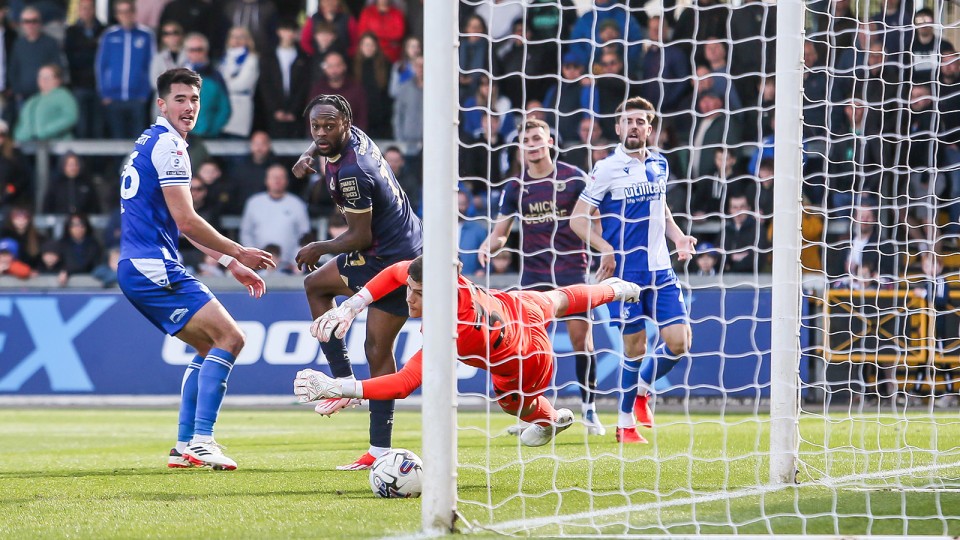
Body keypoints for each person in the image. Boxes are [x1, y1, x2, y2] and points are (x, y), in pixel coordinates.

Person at [294, 256, 643, 447]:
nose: (408, 298)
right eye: (410, 289)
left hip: (528, 360)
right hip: (515, 305)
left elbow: (403, 384)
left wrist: (337, 387)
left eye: (418, 293)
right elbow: (398, 271)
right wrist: (350, 307)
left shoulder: (450, 331)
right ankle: (614, 289)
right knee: (558, 299)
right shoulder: (445, 279)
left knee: (512, 404)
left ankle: (549, 419)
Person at [117, 67, 275, 471]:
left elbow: (178, 222)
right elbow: (187, 221)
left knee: (209, 346)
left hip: (138, 266)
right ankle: (203, 441)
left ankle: (185, 444)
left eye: (194, 100)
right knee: (232, 337)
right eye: (180, 99)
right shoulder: (171, 146)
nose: (189, 107)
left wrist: (227, 262)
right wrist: (239, 252)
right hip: (153, 265)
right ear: (161, 104)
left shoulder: (148, 141)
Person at [291, 94, 423, 470]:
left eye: (328, 126)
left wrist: (319, 246)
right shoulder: (353, 136)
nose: (321, 133)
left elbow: (359, 236)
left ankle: (378, 448)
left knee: (377, 349)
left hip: (393, 259)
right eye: (315, 127)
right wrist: (308, 154)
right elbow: (325, 138)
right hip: (394, 245)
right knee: (316, 286)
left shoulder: (352, 172)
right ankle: (344, 382)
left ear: (345, 124)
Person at [570, 97, 697, 445]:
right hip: (626, 275)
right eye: (627, 121)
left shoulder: (659, 163)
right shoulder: (606, 168)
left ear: (649, 128)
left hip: (661, 269)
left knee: (680, 342)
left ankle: (642, 389)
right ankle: (625, 423)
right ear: (618, 128)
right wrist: (605, 248)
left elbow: (662, 208)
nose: (634, 126)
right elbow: (577, 219)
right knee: (635, 347)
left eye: (640, 121)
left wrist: (679, 237)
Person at [479, 118, 604, 435]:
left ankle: (590, 411)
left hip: (571, 268)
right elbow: (501, 232)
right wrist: (487, 246)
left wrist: (603, 249)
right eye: (526, 140)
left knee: (581, 340)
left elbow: (596, 218)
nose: (532, 145)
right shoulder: (515, 187)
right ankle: (530, 414)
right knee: (527, 347)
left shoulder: (573, 178)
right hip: (534, 272)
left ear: (549, 142)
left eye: (537, 138)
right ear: (520, 147)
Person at [95, 0, 154, 140]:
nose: (125, 15)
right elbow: (101, 65)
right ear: (117, 15)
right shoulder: (109, 36)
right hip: (114, 98)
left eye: (128, 11)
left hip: (137, 98)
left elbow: (151, 65)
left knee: (139, 141)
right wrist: (104, 93)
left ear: (134, 13)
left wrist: (145, 93)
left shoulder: (145, 35)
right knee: (117, 140)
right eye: (121, 12)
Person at [240, 164, 310, 270]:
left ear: (286, 181)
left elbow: (304, 235)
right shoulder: (254, 203)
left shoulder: (296, 204)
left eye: (281, 177)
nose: (277, 180)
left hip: (289, 266)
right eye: (273, 177)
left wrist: (296, 261)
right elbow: (246, 233)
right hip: (258, 265)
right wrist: (253, 258)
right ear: (266, 180)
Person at [13, 64, 78, 142]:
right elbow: (22, 122)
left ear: (57, 80)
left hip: (57, 144)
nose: (43, 80)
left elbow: (70, 117)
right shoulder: (32, 100)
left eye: (47, 77)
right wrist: (20, 136)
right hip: (30, 145)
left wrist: (45, 132)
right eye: (40, 76)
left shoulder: (63, 96)